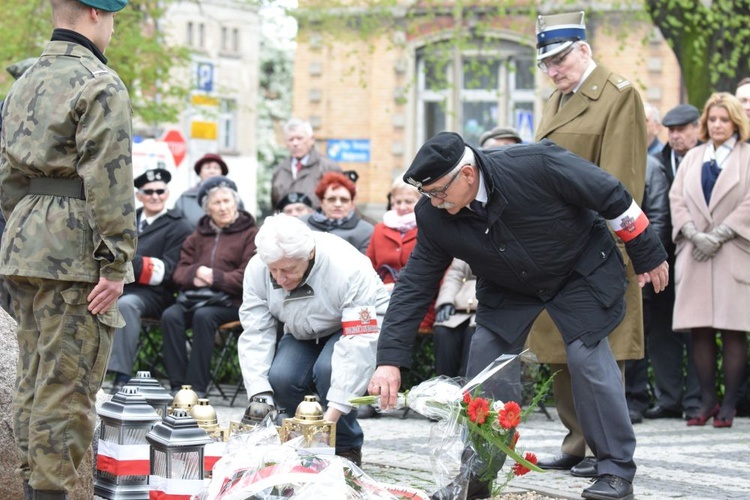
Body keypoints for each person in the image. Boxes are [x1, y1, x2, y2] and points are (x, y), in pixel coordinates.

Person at [369, 132, 668, 500]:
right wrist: (389, 359)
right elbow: (414, 285)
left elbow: (611, 194)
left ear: (466, 174)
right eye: (427, 194)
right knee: (485, 363)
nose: (434, 201)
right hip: (508, 286)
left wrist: (648, 251)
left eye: (438, 191)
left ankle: (616, 471)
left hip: (580, 270)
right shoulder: (433, 215)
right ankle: (476, 475)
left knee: (585, 355)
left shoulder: (537, 163)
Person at [0, 0, 136, 496]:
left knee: (34, 382)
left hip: (25, 243)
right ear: (97, 14)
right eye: (115, 18)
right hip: (74, 252)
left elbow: (9, 179)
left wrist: (27, 228)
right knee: (68, 388)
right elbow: (111, 179)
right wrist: (117, 261)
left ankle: (34, 487)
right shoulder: (99, 82)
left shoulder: (23, 80)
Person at [531, 10, 648, 477]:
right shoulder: (557, 100)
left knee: (599, 354)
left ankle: (606, 449)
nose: (554, 70)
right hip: (554, 248)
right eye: (547, 63)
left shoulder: (619, 96)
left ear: (584, 49)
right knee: (560, 349)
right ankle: (577, 440)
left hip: (596, 247)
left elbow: (620, 182)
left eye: (561, 59)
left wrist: (612, 246)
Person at [238, 214, 390, 467]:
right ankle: (296, 444)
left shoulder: (348, 266)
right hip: (302, 328)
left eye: (287, 270)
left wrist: (328, 422)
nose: (279, 278)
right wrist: (259, 396)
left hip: (354, 325)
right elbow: (255, 331)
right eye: (273, 270)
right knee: (281, 377)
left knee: (329, 370)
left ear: (309, 254)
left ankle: (345, 446)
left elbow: (357, 344)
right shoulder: (258, 268)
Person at [669, 92, 750, 428]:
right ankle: (706, 402)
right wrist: (692, 232)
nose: (717, 125)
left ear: (735, 122)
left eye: (724, 119)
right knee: (699, 331)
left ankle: (729, 404)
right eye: (712, 119)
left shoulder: (747, 156)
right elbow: (677, 197)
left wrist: (718, 235)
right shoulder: (694, 156)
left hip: (732, 250)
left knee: (733, 332)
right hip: (696, 253)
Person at [161, 176, 258, 397]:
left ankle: (196, 388)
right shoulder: (197, 235)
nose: (223, 207)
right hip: (195, 299)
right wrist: (196, 273)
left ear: (236, 203)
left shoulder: (251, 234)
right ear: (207, 208)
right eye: (217, 203)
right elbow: (179, 271)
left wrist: (213, 276)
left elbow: (247, 277)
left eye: (227, 201)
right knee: (170, 315)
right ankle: (178, 386)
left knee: (204, 317)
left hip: (232, 302)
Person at [106, 169, 193, 393]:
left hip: (155, 295)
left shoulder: (179, 225)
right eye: (149, 192)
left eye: (160, 191)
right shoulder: (126, 220)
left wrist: (124, 262)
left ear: (167, 193)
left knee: (125, 305)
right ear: (139, 195)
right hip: (116, 286)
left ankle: (121, 377)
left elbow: (167, 271)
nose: (155, 196)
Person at [642, 104, 702, 421]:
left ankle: (696, 400)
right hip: (662, 258)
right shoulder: (658, 161)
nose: (677, 136)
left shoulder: (709, 158)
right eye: (672, 130)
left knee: (696, 330)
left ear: (697, 128)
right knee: (663, 329)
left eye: (683, 129)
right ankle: (669, 399)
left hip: (698, 256)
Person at [271, 118, 341, 209]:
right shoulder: (279, 171)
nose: (295, 143)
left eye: (299, 138)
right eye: (291, 140)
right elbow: (275, 206)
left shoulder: (328, 167)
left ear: (312, 139)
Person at [301, 171, 374, 253]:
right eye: (331, 199)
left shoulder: (365, 231)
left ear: (352, 203)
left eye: (344, 200)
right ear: (321, 201)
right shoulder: (302, 225)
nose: (338, 204)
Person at [432, 258, 477, 378]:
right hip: (462, 305)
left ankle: (469, 389)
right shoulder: (469, 241)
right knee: (443, 331)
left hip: (493, 307)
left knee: (475, 334)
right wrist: (446, 301)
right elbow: (455, 275)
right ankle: (444, 385)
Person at [172, 153, 229, 227]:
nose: (212, 171)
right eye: (207, 168)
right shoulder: (185, 199)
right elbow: (176, 225)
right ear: (200, 172)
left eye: (216, 168)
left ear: (222, 173)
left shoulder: (233, 197)